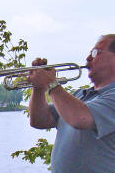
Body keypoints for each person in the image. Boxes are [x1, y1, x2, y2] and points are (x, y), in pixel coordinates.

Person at [28, 34, 115, 173]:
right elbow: (40, 120)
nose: (88, 58)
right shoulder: (80, 95)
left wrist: (51, 84)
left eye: (95, 53)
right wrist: (38, 88)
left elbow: (80, 119)